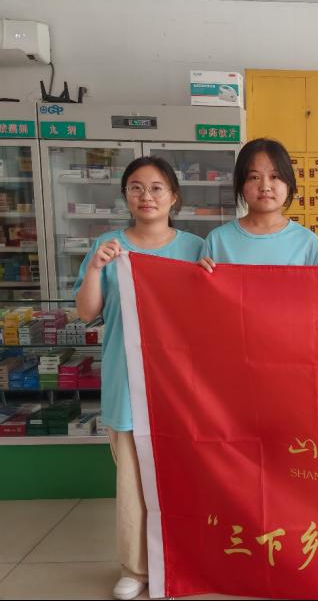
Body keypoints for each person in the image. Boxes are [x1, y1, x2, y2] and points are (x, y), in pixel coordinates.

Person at [74, 156, 204, 601]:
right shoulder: (108, 246)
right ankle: (136, 567)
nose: (146, 196)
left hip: (180, 386)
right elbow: (87, 312)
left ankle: (182, 559)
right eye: (136, 187)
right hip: (128, 382)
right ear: (125, 196)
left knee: (181, 477)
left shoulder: (195, 248)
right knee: (132, 481)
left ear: (174, 197)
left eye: (156, 188)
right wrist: (96, 268)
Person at [198, 138, 318, 270]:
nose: (265, 187)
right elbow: (202, 283)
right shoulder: (217, 240)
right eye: (254, 177)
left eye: (275, 176)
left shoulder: (308, 243)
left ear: (288, 184)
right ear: (241, 185)